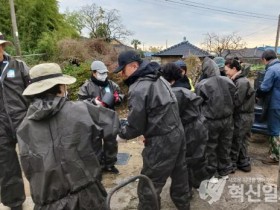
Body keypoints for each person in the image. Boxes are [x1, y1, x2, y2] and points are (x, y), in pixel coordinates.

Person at [16, 63, 119, 210]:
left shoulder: (24, 127)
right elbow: (111, 126)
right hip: (88, 196)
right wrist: (107, 160)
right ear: (61, 87)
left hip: (47, 202)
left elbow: (29, 168)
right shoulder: (82, 110)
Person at [114, 50, 190, 210]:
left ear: (133, 66)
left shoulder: (140, 87)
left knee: (149, 185)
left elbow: (135, 124)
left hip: (162, 142)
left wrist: (122, 135)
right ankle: (184, 205)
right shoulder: (158, 77)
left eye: (123, 69)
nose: (121, 74)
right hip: (177, 132)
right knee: (180, 175)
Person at [161, 62, 208, 191]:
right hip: (199, 124)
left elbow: (172, 116)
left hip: (189, 128)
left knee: (186, 160)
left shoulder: (174, 92)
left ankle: (187, 189)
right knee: (199, 155)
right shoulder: (185, 85)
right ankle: (199, 184)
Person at [0, 32, 29, 210]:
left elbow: (33, 90)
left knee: (35, 159)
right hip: (0, 126)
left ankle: (46, 194)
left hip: (22, 119)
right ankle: (15, 202)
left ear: (2, 47)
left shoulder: (18, 66)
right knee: (6, 165)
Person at [78, 60, 124, 174]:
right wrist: (93, 101)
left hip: (110, 118)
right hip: (94, 119)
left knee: (111, 142)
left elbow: (121, 94)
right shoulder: (87, 86)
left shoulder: (111, 85)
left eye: (105, 73)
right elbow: (81, 101)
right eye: (101, 73)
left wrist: (118, 98)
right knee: (95, 143)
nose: (104, 75)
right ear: (94, 73)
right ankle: (97, 165)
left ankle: (110, 164)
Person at [195, 57, 236, 182]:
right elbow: (234, 98)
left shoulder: (202, 84)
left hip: (211, 120)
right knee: (225, 145)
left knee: (210, 147)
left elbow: (197, 103)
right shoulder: (229, 81)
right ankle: (224, 171)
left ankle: (212, 174)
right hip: (228, 120)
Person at [225, 59, 255, 172]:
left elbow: (236, 101)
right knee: (242, 140)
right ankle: (244, 163)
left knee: (236, 140)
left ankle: (232, 165)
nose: (226, 72)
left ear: (234, 68)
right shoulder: (241, 80)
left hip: (242, 116)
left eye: (227, 70)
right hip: (246, 116)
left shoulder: (241, 82)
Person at [256, 49, 280, 165]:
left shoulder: (272, 69)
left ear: (265, 59)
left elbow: (264, 87)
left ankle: (275, 156)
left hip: (275, 104)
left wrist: (257, 95)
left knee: (274, 130)